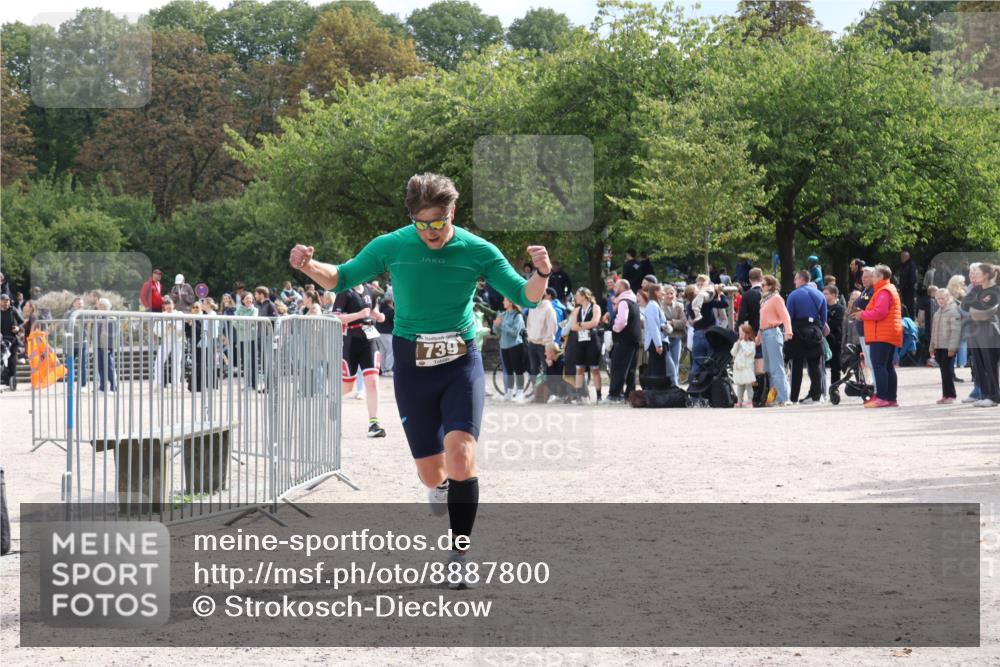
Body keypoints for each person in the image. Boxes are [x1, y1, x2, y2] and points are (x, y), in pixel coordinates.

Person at [288, 172, 551, 586]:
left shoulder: (477, 250)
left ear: (453, 212)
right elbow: (340, 276)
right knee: (432, 473)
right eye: (422, 224)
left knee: (462, 455)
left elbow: (526, 295)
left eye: (439, 222)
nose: (431, 232)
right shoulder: (392, 245)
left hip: (461, 361)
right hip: (413, 364)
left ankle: (460, 551)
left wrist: (541, 273)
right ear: (411, 219)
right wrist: (307, 266)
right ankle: (438, 486)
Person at [332, 282, 387, 437]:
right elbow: (336, 318)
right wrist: (359, 315)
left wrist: (378, 315)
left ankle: (374, 423)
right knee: (348, 386)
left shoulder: (371, 291)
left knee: (373, 381)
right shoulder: (344, 292)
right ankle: (331, 402)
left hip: (369, 339)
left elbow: (374, 310)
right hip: (350, 340)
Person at [853, 264, 903, 408]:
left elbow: (880, 313)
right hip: (887, 333)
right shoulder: (887, 289)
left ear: (881, 277)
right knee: (887, 366)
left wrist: (862, 315)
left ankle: (881, 397)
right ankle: (890, 398)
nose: (871, 278)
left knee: (879, 366)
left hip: (882, 334)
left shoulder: (883, 291)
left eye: (874, 275)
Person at [786, 269, 827, 404]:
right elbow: (824, 317)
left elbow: (789, 316)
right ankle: (816, 396)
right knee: (815, 366)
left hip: (797, 331)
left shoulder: (793, 295)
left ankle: (793, 398)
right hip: (815, 330)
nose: (794, 281)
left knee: (796, 366)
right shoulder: (820, 294)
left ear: (802, 279)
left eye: (796, 279)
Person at [961, 262, 1000, 407]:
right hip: (974, 328)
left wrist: (975, 304)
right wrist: (976, 305)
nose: (974, 275)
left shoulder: (996, 290)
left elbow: (986, 307)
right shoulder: (976, 289)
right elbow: (964, 304)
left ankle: (994, 396)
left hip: (989, 328)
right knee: (978, 364)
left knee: (990, 364)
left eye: (977, 273)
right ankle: (984, 394)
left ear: (986, 275)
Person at [755, 275, 793, 407]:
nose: (761, 287)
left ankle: (784, 398)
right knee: (769, 369)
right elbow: (762, 321)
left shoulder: (776, 298)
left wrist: (788, 331)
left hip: (772, 332)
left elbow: (785, 315)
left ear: (770, 286)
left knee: (777, 368)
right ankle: (774, 397)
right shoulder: (764, 300)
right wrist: (759, 335)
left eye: (763, 285)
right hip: (765, 333)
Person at [606, 278, 640, 403]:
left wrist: (613, 327)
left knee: (618, 367)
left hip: (624, 339)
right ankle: (629, 395)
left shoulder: (624, 302)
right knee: (631, 369)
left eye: (616, 287)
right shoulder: (633, 300)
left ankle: (614, 395)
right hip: (634, 339)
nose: (614, 289)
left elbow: (621, 322)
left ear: (622, 288)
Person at [566, 287, 602, 403]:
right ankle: (578, 396)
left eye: (577, 295)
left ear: (584, 296)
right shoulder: (577, 310)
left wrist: (580, 324)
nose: (575, 298)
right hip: (580, 341)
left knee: (595, 369)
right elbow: (573, 327)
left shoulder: (595, 307)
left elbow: (595, 322)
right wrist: (586, 325)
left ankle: (599, 396)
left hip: (592, 340)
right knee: (579, 369)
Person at [737, 268, 766, 402]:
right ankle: (769, 391)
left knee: (756, 363)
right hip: (770, 331)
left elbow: (742, 316)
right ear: (762, 278)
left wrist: (741, 332)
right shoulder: (768, 293)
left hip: (754, 333)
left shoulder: (747, 295)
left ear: (749, 280)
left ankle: (757, 395)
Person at [930, 289, 962, 404]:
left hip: (948, 347)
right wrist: (931, 347)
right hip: (939, 346)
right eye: (938, 299)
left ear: (948, 298)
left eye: (943, 298)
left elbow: (956, 331)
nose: (940, 301)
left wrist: (952, 348)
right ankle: (945, 395)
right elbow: (934, 331)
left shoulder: (953, 311)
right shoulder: (937, 313)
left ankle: (951, 395)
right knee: (943, 372)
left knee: (948, 372)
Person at [493, 297, 528, 402]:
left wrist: (502, 324)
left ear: (511, 302)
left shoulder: (518, 316)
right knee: (508, 371)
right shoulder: (502, 315)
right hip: (504, 346)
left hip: (516, 346)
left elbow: (514, 332)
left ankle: (520, 392)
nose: (503, 301)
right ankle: (509, 391)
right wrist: (496, 324)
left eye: (505, 300)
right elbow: (496, 332)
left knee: (518, 370)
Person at [525, 290, 558, 384]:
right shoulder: (532, 307)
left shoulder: (549, 309)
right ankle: (537, 392)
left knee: (547, 370)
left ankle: (550, 392)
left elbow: (552, 327)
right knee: (534, 370)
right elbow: (529, 323)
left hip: (544, 344)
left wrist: (548, 344)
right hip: (532, 343)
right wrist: (529, 337)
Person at [659, 284, 685, 386]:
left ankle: (673, 385)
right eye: (667, 294)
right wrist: (674, 323)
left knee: (675, 363)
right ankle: (674, 385)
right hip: (665, 339)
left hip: (677, 338)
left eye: (672, 293)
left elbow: (683, 322)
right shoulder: (660, 306)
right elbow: (661, 323)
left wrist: (670, 322)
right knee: (669, 364)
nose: (670, 296)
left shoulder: (679, 306)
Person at [640, 284, 668, 379]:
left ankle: (655, 391)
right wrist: (658, 344)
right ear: (656, 292)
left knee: (658, 369)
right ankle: (655, 391)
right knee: (657, 371)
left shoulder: (656, 305)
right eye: (662, 290)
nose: (664, 292)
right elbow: (653, 326)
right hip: (655, 341)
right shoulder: (652, 306)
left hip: (658, 340)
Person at [234, 292, 259, 389]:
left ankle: (254, 384)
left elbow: (253, 321)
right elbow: (234, 322)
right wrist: (245, 325)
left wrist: (241, 323)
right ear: (243, 300)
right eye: (247, 298)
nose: (249, 300)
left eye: (250, 298)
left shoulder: (255, 310)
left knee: (253, 361)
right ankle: (247, 384)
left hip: (252, 338)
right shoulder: (238, 310)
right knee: (245, 362)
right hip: (242, 339)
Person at [823, 285, 845, 387]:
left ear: (834, 295)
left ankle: (834, 388)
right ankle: (821, 390)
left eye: (826, 294)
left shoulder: (840, 309)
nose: (823, 295)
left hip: (835, 342)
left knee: (835, 368)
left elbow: (836, 324)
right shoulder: (822, 307)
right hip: (823, 340)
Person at [94, 298, 117, 392]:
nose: (97, 306)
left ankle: (113, 387)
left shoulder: (111, 318)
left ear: (104, 306)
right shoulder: (99, 317)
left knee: (109, 367)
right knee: (101, 367)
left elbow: (111, 334)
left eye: (99, 305)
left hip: (106, 346)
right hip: (99, 345)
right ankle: (102, 387)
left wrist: (109, 346)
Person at [0, 294, 24, 389]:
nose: (6, 303)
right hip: (1, 340)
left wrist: (18, 328)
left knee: (12, 361)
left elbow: (22, 322)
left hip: (12, 340)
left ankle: (12, 382)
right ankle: (4, 380)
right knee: (2, 361)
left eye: (7, 301)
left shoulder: (13, 311)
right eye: (3, 301)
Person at [731, 323, 757, 407]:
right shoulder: (739, 343)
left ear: (748, 334)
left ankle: (750, 401)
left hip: (747, 368)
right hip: (739, 368)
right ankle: (739, 401)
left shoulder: (751, 344)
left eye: (742, 333)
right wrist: (737, 345)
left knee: (748, 385)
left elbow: (749, 352)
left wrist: (742, 344)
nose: (740, 335)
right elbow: (733, 353)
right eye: (739, 333)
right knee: (740, 386)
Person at [375, 291, 395, 376]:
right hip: (387, 333)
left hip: (378, 332)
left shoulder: (381, 308)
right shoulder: (390, 310)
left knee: (383, 351)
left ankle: (383, 370)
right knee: (390, 351)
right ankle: (388, 369)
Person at [899, 250, 918, 318]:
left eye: (903, 257)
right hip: (906, 290)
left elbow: (912, 278)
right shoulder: (904, 266)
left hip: (909, 290)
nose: (901, 258)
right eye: (901, 257)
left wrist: (907, 287)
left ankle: (911, 321)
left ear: (907, 257)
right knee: (906, 306)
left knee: (909, 306)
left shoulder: (911, 265)